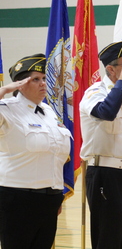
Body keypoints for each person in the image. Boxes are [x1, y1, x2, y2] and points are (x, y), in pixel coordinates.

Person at [0, 54, 71, 249]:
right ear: (20, 85)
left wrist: (57, 193)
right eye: (35, 79)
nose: (42, 84)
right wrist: (4, 90)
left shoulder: (48, 112)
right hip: (17, 200)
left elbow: (56, 156)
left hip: (48, 200)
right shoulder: (7, 109)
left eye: (43, 79)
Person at [79, 37, 122, 249]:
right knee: (108, 239)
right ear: (111, 69)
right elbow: (106, 112)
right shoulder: (95, 92)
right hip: (104, 174)